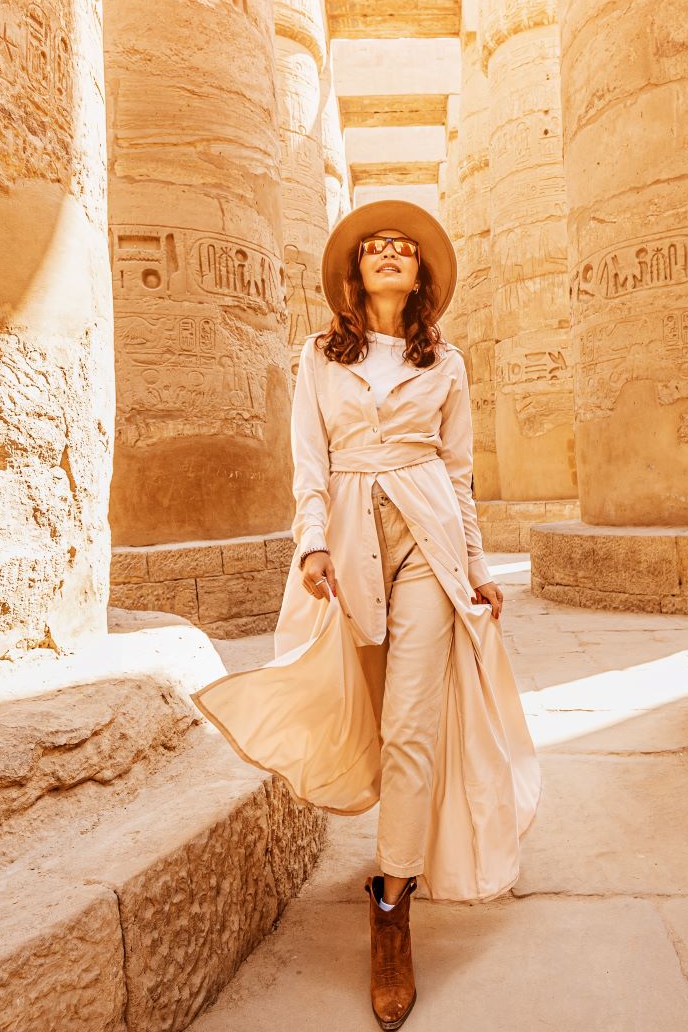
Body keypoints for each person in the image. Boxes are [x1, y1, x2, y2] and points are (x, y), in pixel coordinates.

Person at [195, 200, 539, 1031]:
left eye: (403, 248)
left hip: (428, 530)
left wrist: (478, 567)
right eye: (374, 247)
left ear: (420, 275)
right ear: (355, 275)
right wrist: (311, 544)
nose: (388, 253)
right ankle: (389, 843)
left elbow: (457, 475)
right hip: (348, 528)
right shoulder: (316, 356)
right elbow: (308, 460)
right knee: (366, 705)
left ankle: (392, 902)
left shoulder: (447, 364)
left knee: (413, 720)